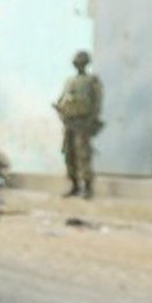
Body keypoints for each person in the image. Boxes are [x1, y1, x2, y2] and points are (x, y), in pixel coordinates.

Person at [54, 49, 104, 198]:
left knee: (83, 155)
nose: (78, 64)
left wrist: (92, 120)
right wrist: (61, 110)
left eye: (80, 62)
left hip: (83, 122)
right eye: (76, 62)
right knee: (69, 154)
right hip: (69, 122)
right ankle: (74, 185)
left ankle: (87, 187)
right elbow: (62, 100)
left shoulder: (92, 81)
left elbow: (97, 103)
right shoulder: (70, 81)